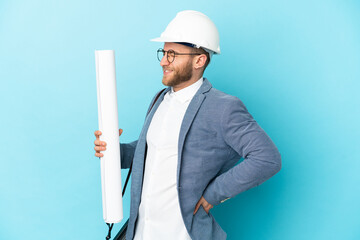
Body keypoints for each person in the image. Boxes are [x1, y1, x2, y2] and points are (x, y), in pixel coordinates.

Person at [94, 10, 281, 240]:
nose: (163, 61)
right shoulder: (159, 99)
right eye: (163, 52)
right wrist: (114, 150)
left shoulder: (224, 108)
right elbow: (149, 152)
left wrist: (215, 193)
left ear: (199, 60)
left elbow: (267, 158)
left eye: (172, 54)